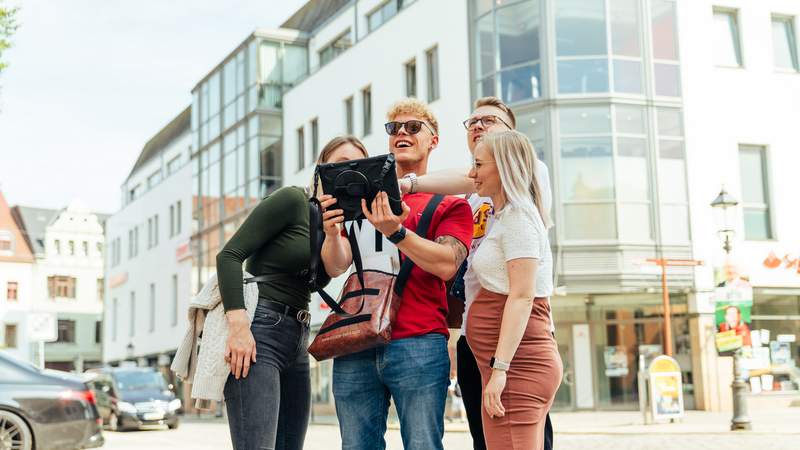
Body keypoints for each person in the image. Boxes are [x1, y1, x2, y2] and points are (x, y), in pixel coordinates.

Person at [399, 96, 554, 450]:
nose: (479, 126)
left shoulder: (523, 189)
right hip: (474, 340)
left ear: (509, 147)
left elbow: (522, 293)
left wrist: (501, 366)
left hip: (513, 342)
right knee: (485, 440)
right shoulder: (477, 192)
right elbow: (460, 180)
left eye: (490, 121)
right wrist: (408, 185)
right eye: (473, 122)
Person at [321, 98, 473, 450]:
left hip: (418, 341)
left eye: (413, 127)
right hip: (356, 340)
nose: (401, 133)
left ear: (433, 140)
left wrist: (396, 232)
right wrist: (331, 233)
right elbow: (336, 266)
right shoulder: (361, 197)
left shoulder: (451, 203)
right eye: (394, 128)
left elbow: (447, 263)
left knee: (422, 445)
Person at [216, 136, 368, 450]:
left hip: (298, 337)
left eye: (356, 167)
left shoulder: (338, 225)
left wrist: (333, 231)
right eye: (339, 164)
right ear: (320, 170)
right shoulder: (292, 201)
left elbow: (335, 268)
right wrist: (239, 328)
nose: (346, 172)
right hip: (260, 329)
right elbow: (228, 256)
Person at [465, 130, 562, 450]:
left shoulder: (519, 217)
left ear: (503, 167)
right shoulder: (508, 214)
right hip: (511, 365)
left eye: (479, 165)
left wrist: (501, 369)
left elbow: (522, 295)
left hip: (518, 366)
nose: (472, 173)